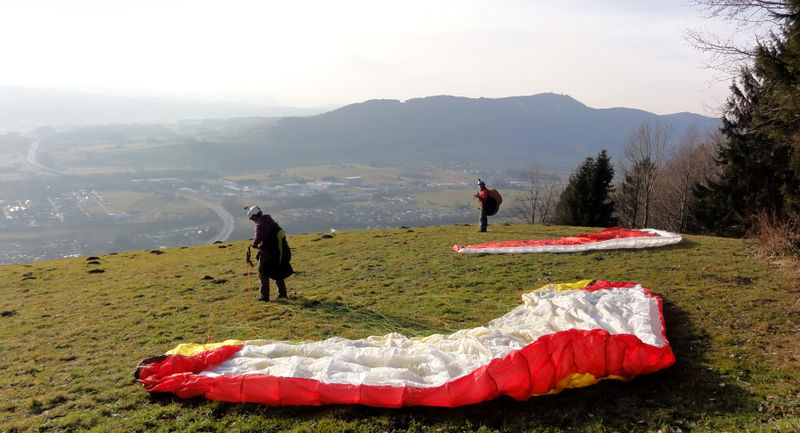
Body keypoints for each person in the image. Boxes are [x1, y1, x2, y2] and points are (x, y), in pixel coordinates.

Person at [247, 205, 293, 301]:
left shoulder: (260, 225)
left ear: (254, 216)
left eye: (252, 219)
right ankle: (282, 294)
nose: (253, 221)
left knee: (263, 273)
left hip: (268, 253)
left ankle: (264, 297)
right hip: (279, 253)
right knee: (278, 272)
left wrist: (254, 244)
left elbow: (258, 238)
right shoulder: (271, 221)